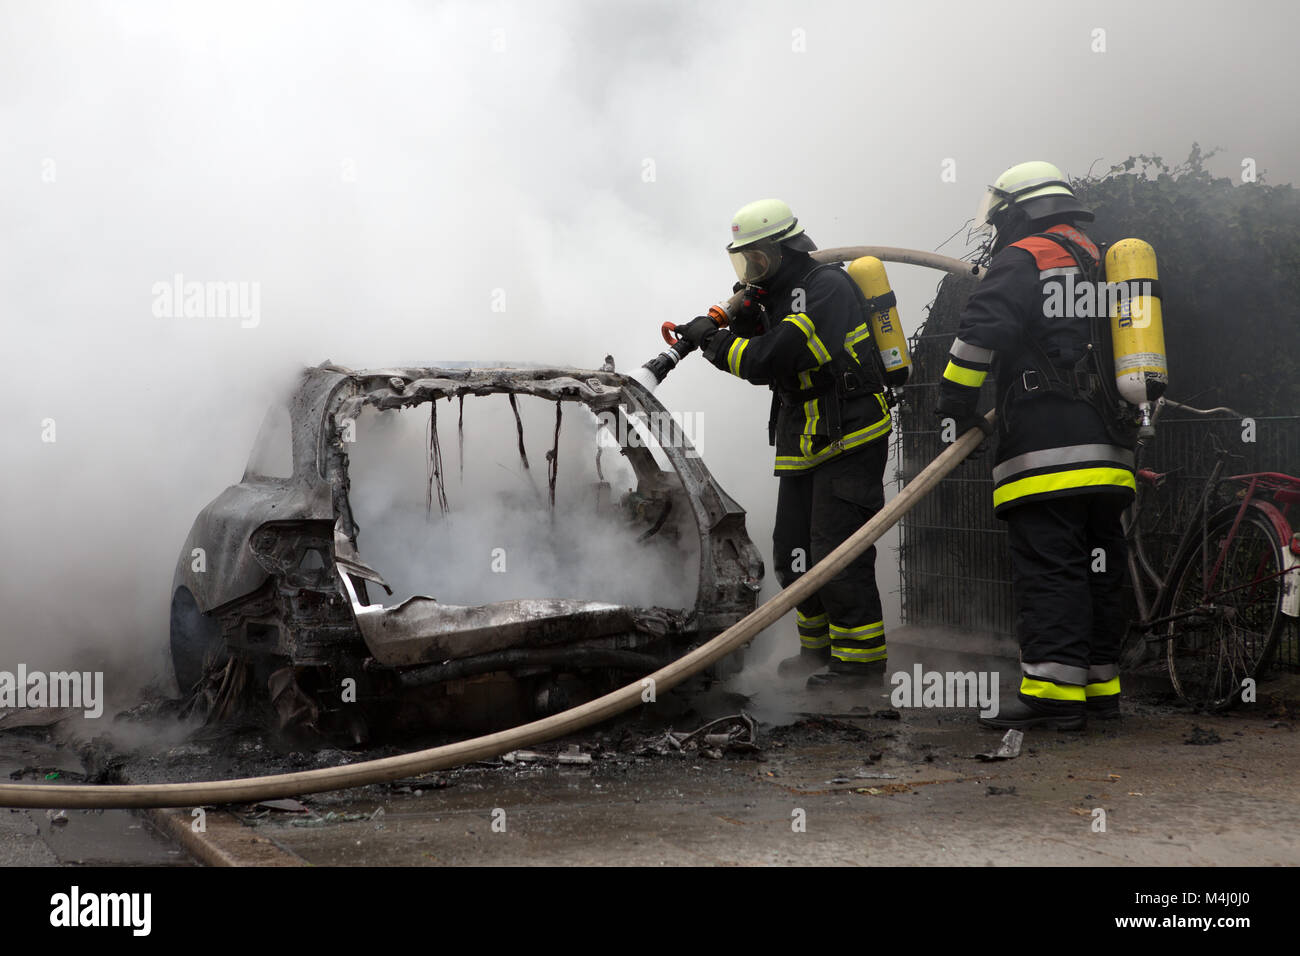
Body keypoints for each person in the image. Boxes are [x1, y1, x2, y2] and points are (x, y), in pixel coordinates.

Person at [935, 161, 1136, 730]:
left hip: (1049, 449)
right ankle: (1100, 692)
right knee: (1099, 566)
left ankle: (1051, 697)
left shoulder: (1026, 256)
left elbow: (980, 334)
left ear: (1020, 212)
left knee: (1052, 569)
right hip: (1110, 450)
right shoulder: (1100, 258)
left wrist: (954, 405)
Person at [675, 199, 892, 689]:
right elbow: (768, 340)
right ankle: (817, 651)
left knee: (836, 552)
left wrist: (714, 343)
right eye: (743, 259)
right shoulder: (777, 294)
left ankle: (860, 666)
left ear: (782, 248)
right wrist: (740, 318)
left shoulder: (826, 287)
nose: (751, 269)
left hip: (848, 432)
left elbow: (773, 358)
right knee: (792, 552)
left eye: (757, 258)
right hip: (803, 433)